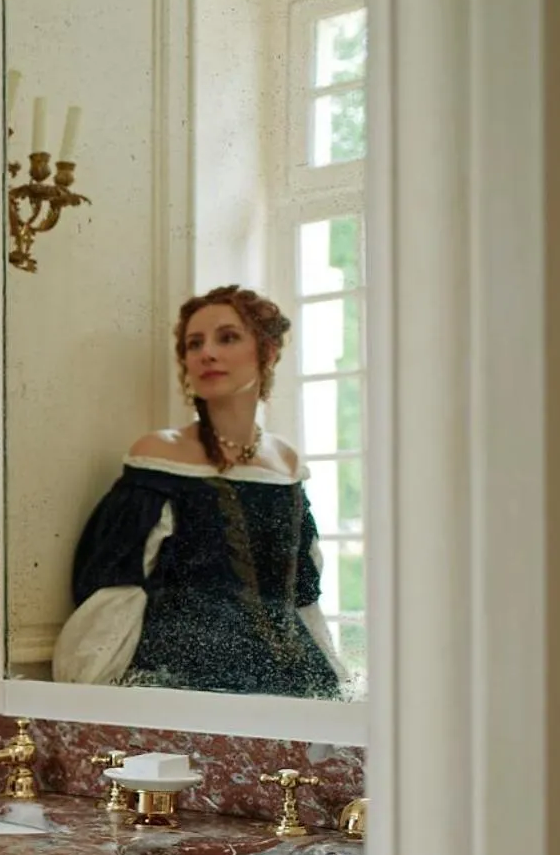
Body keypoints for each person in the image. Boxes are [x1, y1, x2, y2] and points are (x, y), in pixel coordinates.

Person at [53, 284, 346, 698]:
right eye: (194, 344)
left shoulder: (286, 462)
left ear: (267, 352)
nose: (207, 353)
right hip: (183, 678)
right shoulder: (159, 453)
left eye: (227, 338)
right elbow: (118, 582)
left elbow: (301, 592)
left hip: (292, 676)